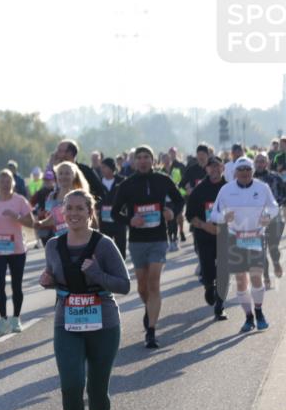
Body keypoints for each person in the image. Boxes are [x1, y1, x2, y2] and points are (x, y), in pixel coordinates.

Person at [38, 189, 130, 410]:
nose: (74, 214)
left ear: (91, 213)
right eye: (70, 209)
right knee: (71, 384)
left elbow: (124, 285)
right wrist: (49, 281)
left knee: (98, 387)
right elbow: (58, 278)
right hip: (67, 320)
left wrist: (97, 274)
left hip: (103, 319)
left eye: (80, 209)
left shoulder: (104, 245)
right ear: (62, 213)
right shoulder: (53, 245)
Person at [109, 145, 184, 349]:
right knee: (142, 286)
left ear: (152, 160)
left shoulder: (162, 180)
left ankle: (151, 331)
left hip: (158, 239)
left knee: (153, 282)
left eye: (146, 157)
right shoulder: (127, 185)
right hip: (137, 241)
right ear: (134, 162)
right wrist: (130, 220)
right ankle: (149, 309)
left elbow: (179, 200)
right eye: (139, 157)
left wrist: (172, 211)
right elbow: (115, 213)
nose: (143, 161)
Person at [210, 157, 279, 332]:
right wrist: (223, 218)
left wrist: (267, 217)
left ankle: (259, 311)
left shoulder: (262, 187)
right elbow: (214, 215)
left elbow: (274, 206)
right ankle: (248, 317)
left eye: (248, 170)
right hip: (235, 238)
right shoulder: (226, 190)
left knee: (256, 277)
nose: (245, 173)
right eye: (241, 170)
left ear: (252, 171)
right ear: (235, 173)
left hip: (256, 236)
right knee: (241, 279)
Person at [0, 169, 34, 334]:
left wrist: (16, 216)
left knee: (17, 285)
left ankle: (16, 318)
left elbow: (31, 223)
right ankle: (3, 319)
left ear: (13, 183)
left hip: (16, 249)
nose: (5, 184)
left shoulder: (20, 201)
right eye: (2, 181)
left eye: (8, 180)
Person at [186, 156, 229, 320]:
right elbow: (190, 215)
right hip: (204, 236)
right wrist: (206, 226)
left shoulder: (230, 188)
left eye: (218, 166)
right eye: (211, 167)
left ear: (222, 168)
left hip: (225, 235)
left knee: (224, 271)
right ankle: (208, 286)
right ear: (207, 169)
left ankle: (220, 307)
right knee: (208, 269)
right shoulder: (199, 190)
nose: (215, 170)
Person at [253, 152, 285, 288]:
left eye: (262, 161)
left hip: (275, 218)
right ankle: (265, 276)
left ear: (266, 163)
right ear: (254, 163)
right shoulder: (249, 180)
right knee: (260, 250)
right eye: (257, 161)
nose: (260, 164)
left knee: (273, 248)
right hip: (256, 220)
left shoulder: (275, 178)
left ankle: (276, 262)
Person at [96, 158, 128, 260]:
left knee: (120, 246)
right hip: (104, 221)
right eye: (101, 167)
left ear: (111, 168)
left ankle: (122, 269)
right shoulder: (98, 182)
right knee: (105, 246)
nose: (102, 170)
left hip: (119, 219)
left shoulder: (122, 181)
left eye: (104, 167)